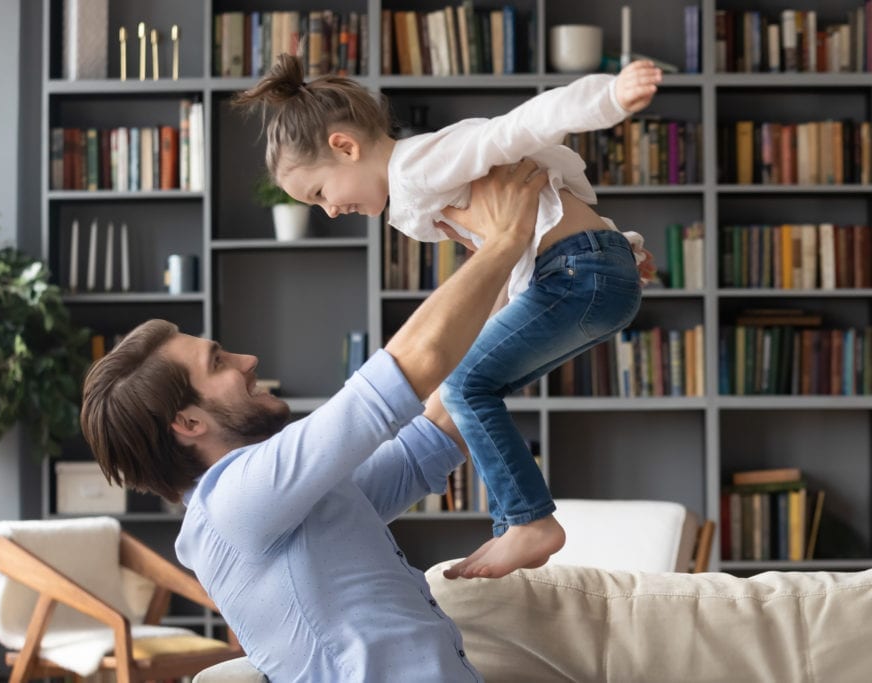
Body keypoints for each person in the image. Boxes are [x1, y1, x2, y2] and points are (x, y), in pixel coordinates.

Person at [81, 160, 547, 682]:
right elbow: (409, 368)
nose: (246, 361)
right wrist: (506, 238)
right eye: (218, 363)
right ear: (187, 422)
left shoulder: (290, 506)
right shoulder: (234, 502)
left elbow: (439, 424)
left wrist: (537, 288)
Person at [232, 54, 661, 580]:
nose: (329, 211)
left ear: (345, 147)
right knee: (474, 385)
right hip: (588, 270)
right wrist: (620, 249)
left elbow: (517, 128)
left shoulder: (419, 164)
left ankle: (529, 523)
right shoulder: (416, 200)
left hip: (577, 271)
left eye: (320, 193)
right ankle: (514, 525)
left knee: (462, 386)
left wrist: (610, 96)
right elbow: (526, 234)